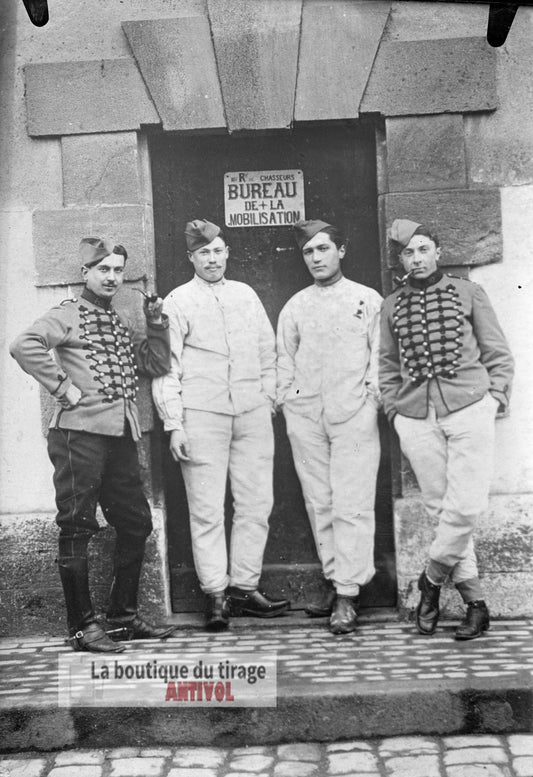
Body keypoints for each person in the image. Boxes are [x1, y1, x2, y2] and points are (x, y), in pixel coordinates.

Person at [10, 237, 176, 653]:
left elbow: (154, 365)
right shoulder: (66, 315)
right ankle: (82, 628)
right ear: (85, 273)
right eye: (104, 270)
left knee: (136, 522)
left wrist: (156, 325)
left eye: (118, 270)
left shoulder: (120, 318)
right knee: (77, 526)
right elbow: (23, 345)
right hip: (77, 436)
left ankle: (121, 618)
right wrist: (62, 387)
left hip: (119, 436)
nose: (112, 277)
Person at [152, 219, 290, 631]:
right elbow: (166, 368)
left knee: (255, 503)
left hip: (251, 414)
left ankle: (244, 589)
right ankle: (215, 594)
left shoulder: (245, 295)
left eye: (218, 251)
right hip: (202, 416)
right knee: (207, 509)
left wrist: (268, 398)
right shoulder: (177, 302)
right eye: (203, 253)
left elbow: (269, 352)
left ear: (227, 253)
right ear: (191, 257)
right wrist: (174, 423)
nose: (212, 259)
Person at [380, 218, 514, 640]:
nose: (416, 258)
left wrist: (494, 397)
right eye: (408, 253)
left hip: (469, 407)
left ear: (437, 251)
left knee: (466, 506)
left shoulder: (467, 292)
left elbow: (498, 353)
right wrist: (394, 411)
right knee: (442, 512)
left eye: (423, 249)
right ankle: (476, 605)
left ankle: (431, 580)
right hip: (417, 416)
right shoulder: (392, 305)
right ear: (400, 260)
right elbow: (385, 366)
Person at [276, 219, 382, 634]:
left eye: (324, 249)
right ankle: (337, 580)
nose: (317, 258)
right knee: (319, 502)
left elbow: (380, 356)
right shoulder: (296, 305)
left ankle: (349, 595)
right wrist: (287, 402)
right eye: (309, 252)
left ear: (341, 250)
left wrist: (371, 400)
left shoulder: (366, 299)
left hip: (353, 413)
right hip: (306, 417)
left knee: (351, 503)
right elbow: (284, 359)